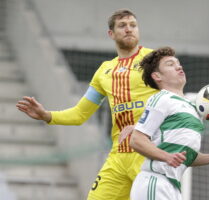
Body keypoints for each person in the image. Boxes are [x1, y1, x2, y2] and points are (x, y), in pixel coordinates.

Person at [16, 9, 158, 200]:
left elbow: (176, 99)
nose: (129, 29)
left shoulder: (154, 60)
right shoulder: (104, 71)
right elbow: (79, 114)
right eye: (122, 26)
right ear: (111, 33)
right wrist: (47, 116)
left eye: (133, 25)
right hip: (118, 157)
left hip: (149, 152)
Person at [129, 47, 209, 200]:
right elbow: (136, 140)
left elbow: (182, 155)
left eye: (178, 63)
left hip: (173, 187)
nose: (179, 66)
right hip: (155, 181)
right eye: (170, 64)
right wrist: (166, 157)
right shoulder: (162, 99)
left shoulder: (194, 109)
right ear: (157, 76)